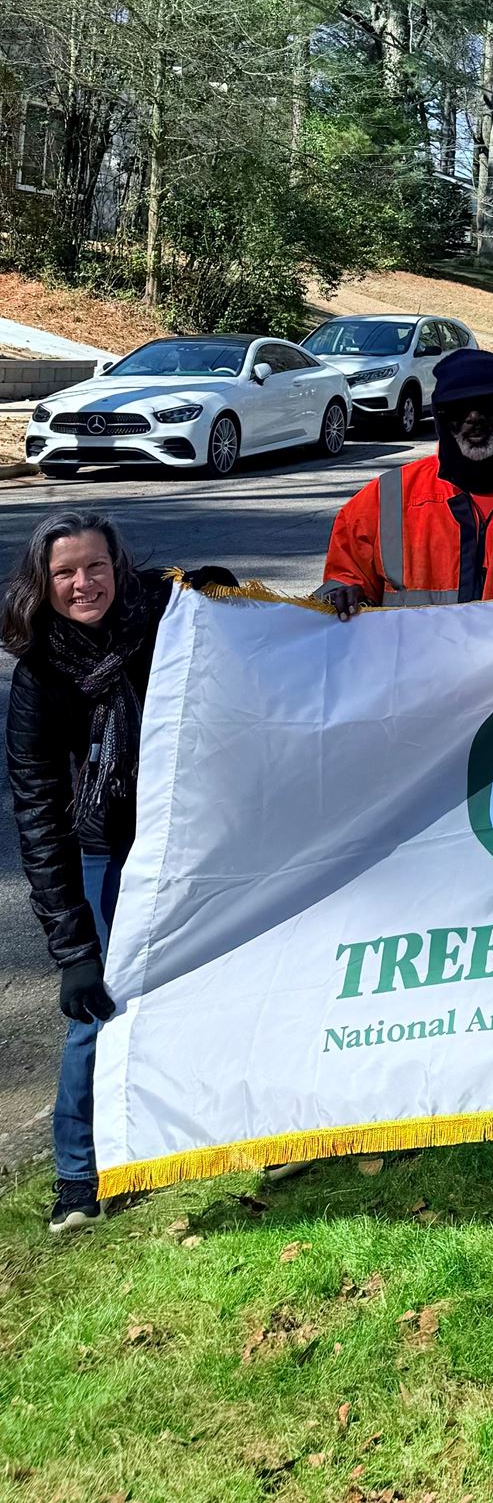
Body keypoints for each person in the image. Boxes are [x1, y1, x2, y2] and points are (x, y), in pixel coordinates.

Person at [4, 512, 173, 1232]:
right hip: (108, 847)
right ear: (44, 584)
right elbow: (39, 813)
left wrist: (228, 601)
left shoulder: (167, 612)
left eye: (95, 567)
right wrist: (73, 951)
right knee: (98, 1008)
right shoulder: (42, 673)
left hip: (189, 832)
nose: (84, 584)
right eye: (66, 573)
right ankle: (77, 1175)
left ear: (119, 566)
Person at [318, 348, 493, 610]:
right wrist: (345, 595)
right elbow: (342, 584)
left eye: (487, 404)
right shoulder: (384, 499)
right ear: (440, 418)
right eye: (458, 408)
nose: (474, 417)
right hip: (417, 658)